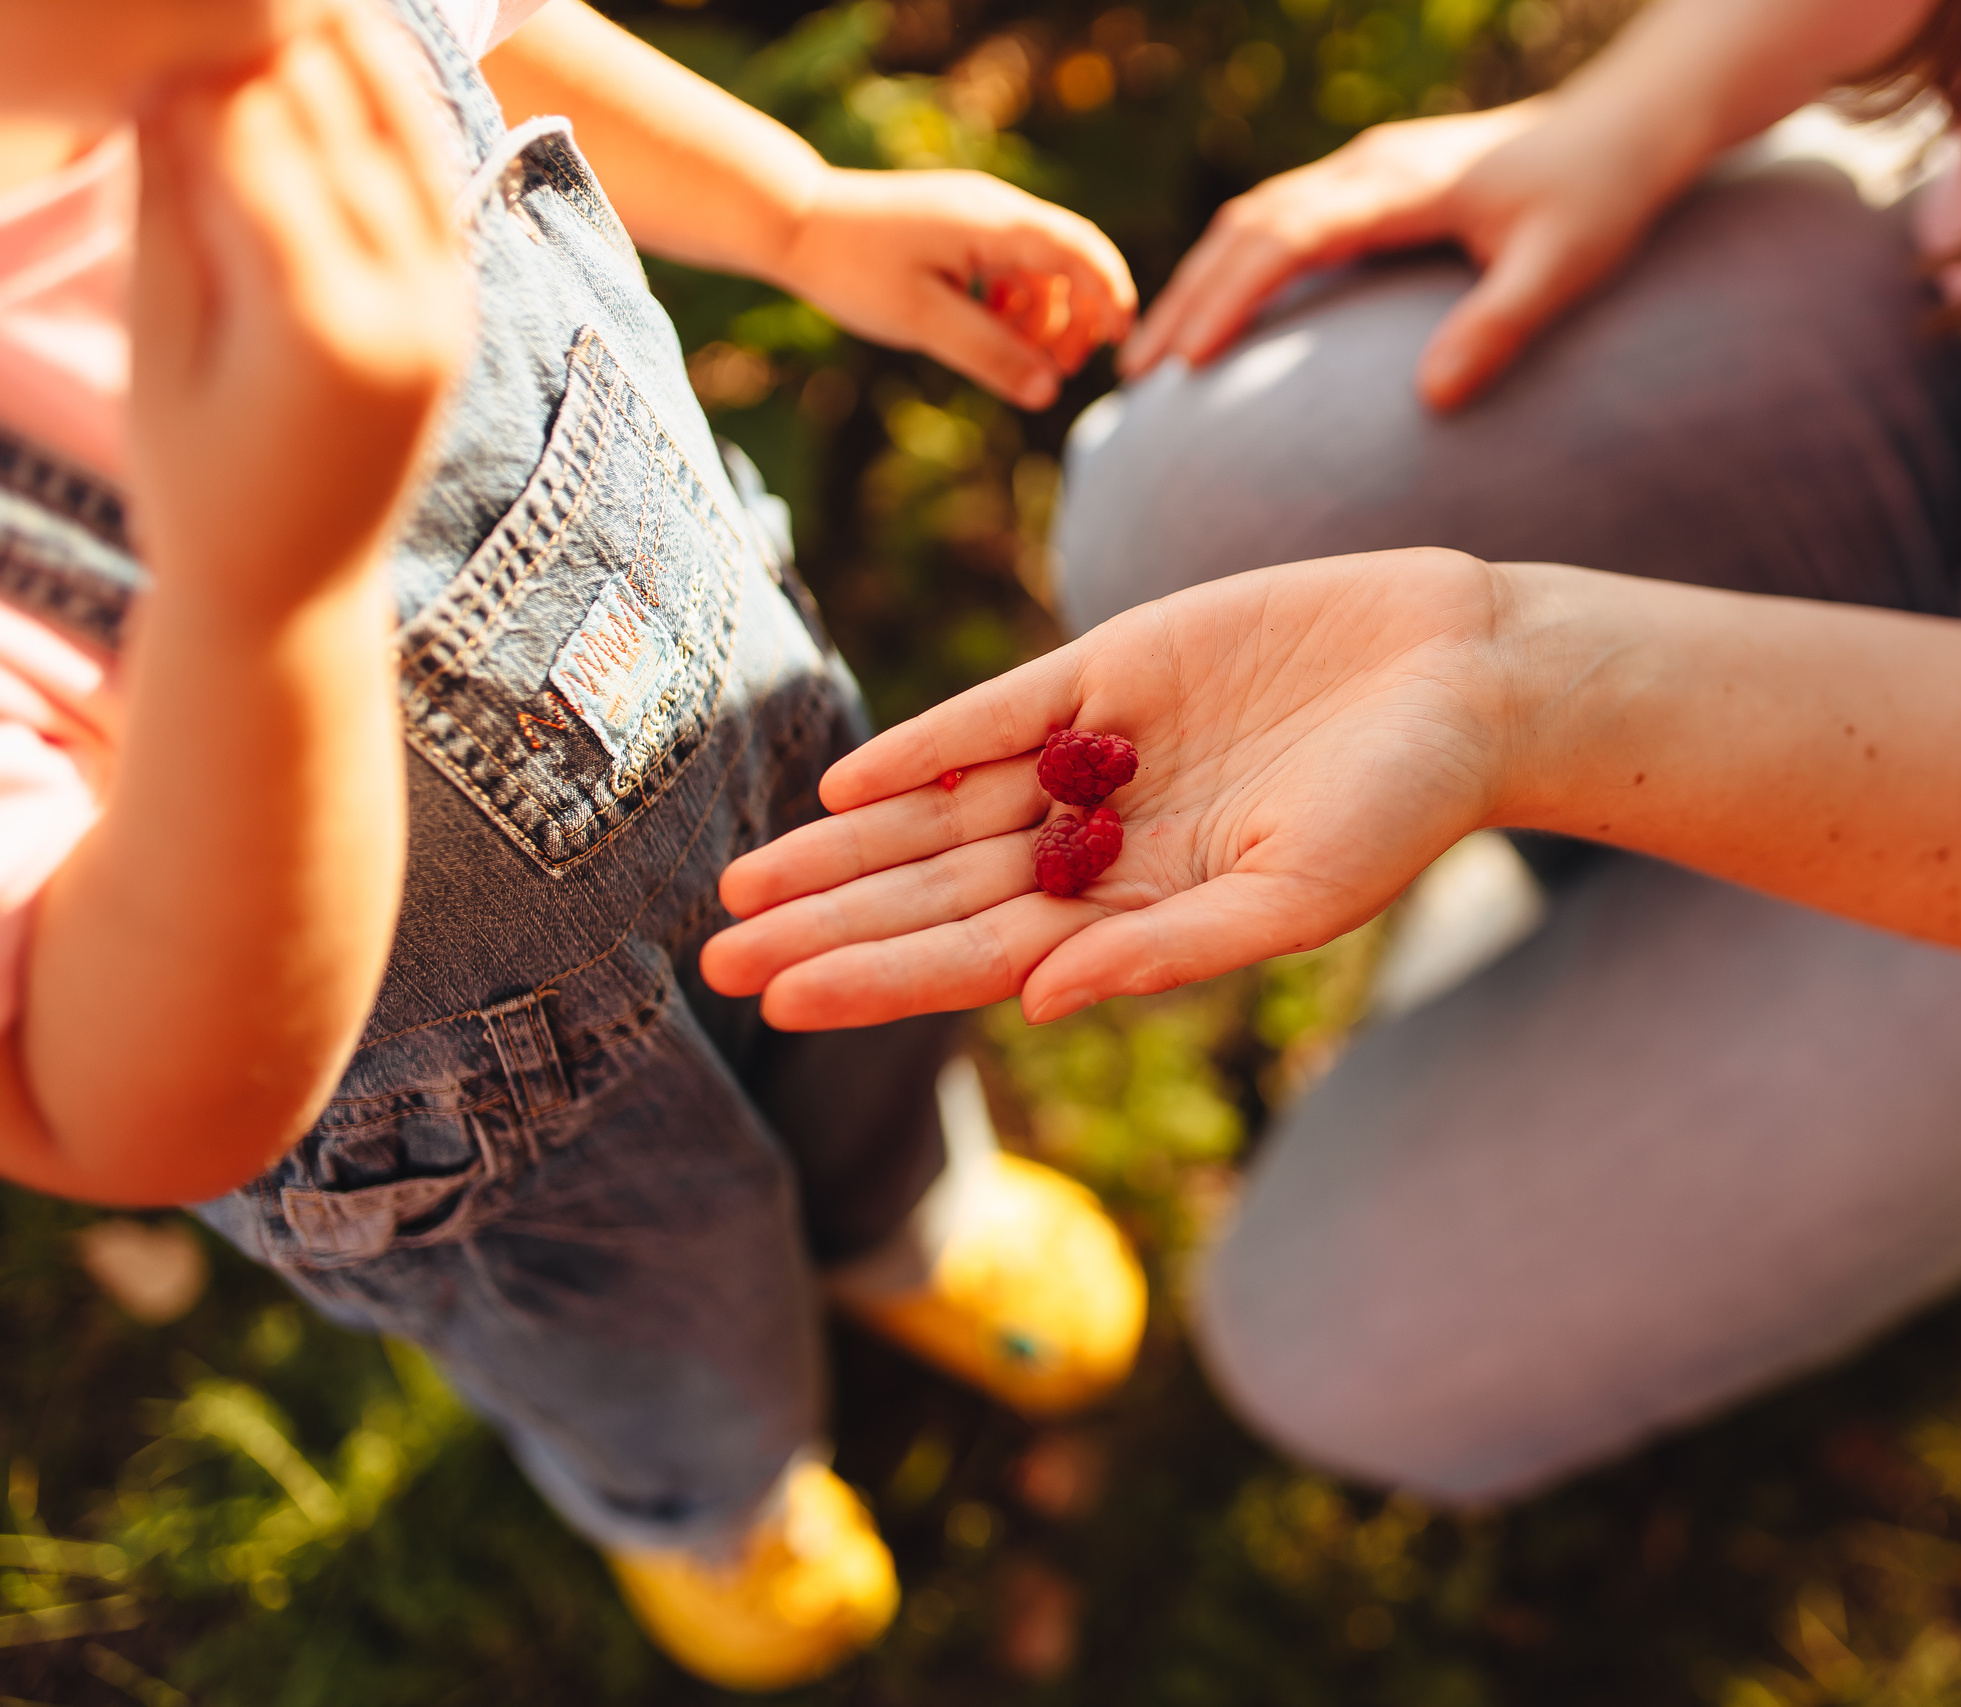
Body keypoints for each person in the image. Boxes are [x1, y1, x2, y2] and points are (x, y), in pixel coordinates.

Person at [706, 0, 1961, 1507]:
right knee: (1214, 486)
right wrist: (1641, 109)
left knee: (1352, 1337)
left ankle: (1633, 937)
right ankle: (1639, 917)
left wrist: (1525, 683)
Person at [0, 0, 1145, 1688]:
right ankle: (712, 1496)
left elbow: (487, 39)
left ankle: (905, 1214)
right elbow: (108, 1103)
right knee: (647, 1332)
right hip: (473, 1127)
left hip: (745, 736)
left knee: (873, 1033)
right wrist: (266, 608)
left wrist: (794, 210)